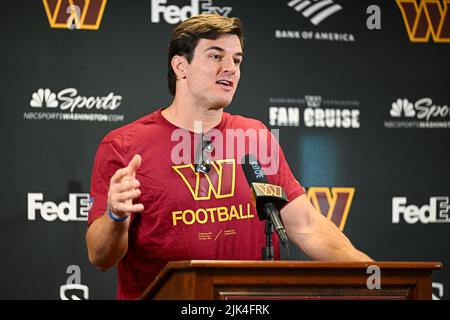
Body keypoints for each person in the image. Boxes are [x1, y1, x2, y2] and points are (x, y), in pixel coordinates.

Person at [86, 14, 371, 300]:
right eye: (215, 56)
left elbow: (307, 226)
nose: (230, 68)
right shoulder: (124, 145)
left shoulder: (255, 136)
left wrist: (376, 276)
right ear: (180, 66)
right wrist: (115, 215)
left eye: (236, 60)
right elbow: (100, 257)